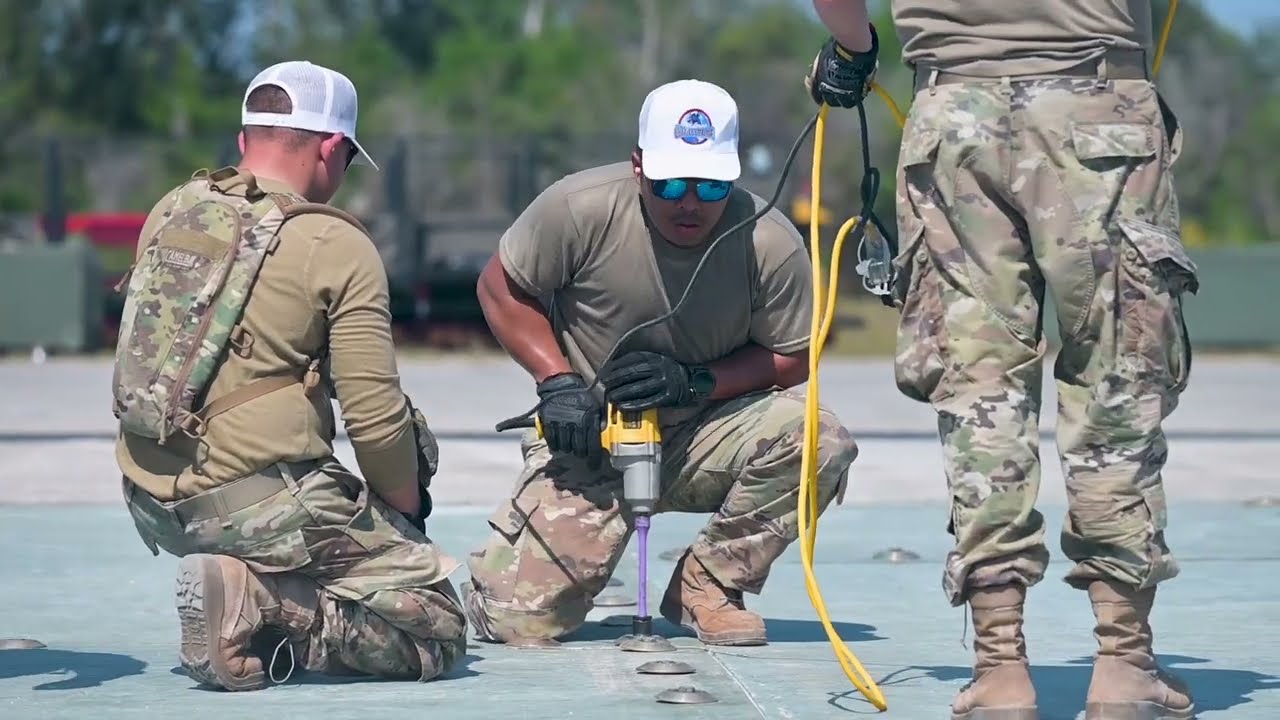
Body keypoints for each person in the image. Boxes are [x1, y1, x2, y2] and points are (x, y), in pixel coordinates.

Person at [805, 2, 1199, 719]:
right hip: (1098, 106)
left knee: (980, 391)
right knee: (1116, 381)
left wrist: (854, 49)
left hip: (954, 119)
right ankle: (1123, 664)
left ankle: (1000, 669)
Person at [462, 78, 859, 647]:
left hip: (706, 430)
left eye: (710, 185)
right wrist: (558, 383)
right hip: (595, 436)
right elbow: (500, 288)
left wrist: (696, 383)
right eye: (669, 183)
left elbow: (793, 358)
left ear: (733, 177)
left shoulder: (768, 240)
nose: (689, 203)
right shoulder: (578, 208)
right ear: (638, 166)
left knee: (819, 438)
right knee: (517, 622)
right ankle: (503, 580)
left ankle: (708, 584)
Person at [111, 60, 465, 691]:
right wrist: (405, 512)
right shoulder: (333, 243)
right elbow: (375, 418)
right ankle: (265, 603)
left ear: (245, 139)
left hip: (150, 499)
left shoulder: (174, 208)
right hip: (254, 504)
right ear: (332, 148)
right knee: (436, 627)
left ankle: (243, 597)